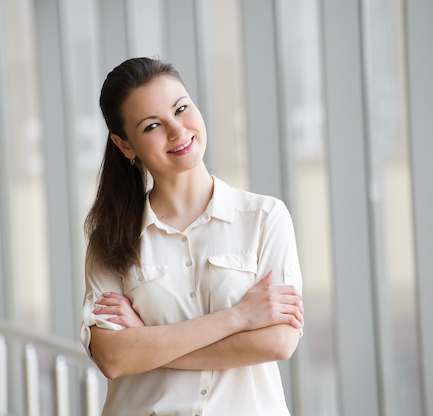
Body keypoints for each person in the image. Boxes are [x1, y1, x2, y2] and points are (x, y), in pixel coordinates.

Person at [80, 56, 304, 416]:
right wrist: (239, 318)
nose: (177, 131)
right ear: (125, 145)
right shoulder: (110, 238)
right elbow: (115, 357)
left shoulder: (264, 219)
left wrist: (149, 342)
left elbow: (278, 341)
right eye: (152, 125)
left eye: (181, 109)